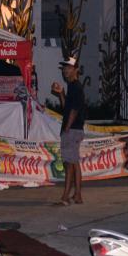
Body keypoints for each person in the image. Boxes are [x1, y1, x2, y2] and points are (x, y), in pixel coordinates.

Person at [52, 56, 86, 205]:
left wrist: (67, 128)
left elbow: (74, 110)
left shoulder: (76, 87)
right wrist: (61, 93)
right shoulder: (72, 86)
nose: (65, 70)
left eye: (69, 68)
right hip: (74, 129)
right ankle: (77, 195)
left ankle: (65, 196)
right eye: (64, 68)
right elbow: (66, 108)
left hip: (72, 130)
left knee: (69, 164)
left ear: (76, 70)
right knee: (74, 163)